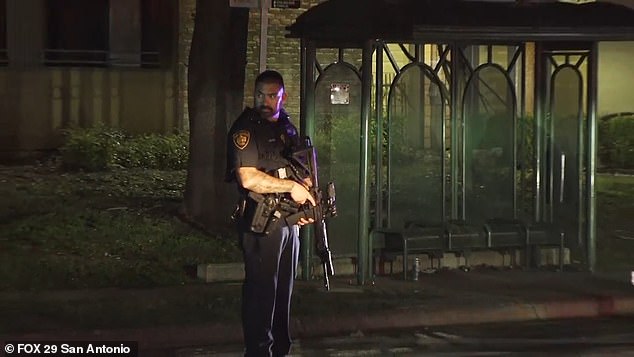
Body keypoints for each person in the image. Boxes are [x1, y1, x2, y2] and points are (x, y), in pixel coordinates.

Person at [225, 70, 315, 356]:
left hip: (289, 224)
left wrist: (306, 204)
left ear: (282, 97)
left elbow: (302, 172)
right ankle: (258, 351)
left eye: (271, 95)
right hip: (261, 222)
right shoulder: (245, 130)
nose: (264, 100)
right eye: (259, 94)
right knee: (261, 293)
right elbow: (248, 178)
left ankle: (281, 349)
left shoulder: (287, 128)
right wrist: (290, 187)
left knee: (283, 292)